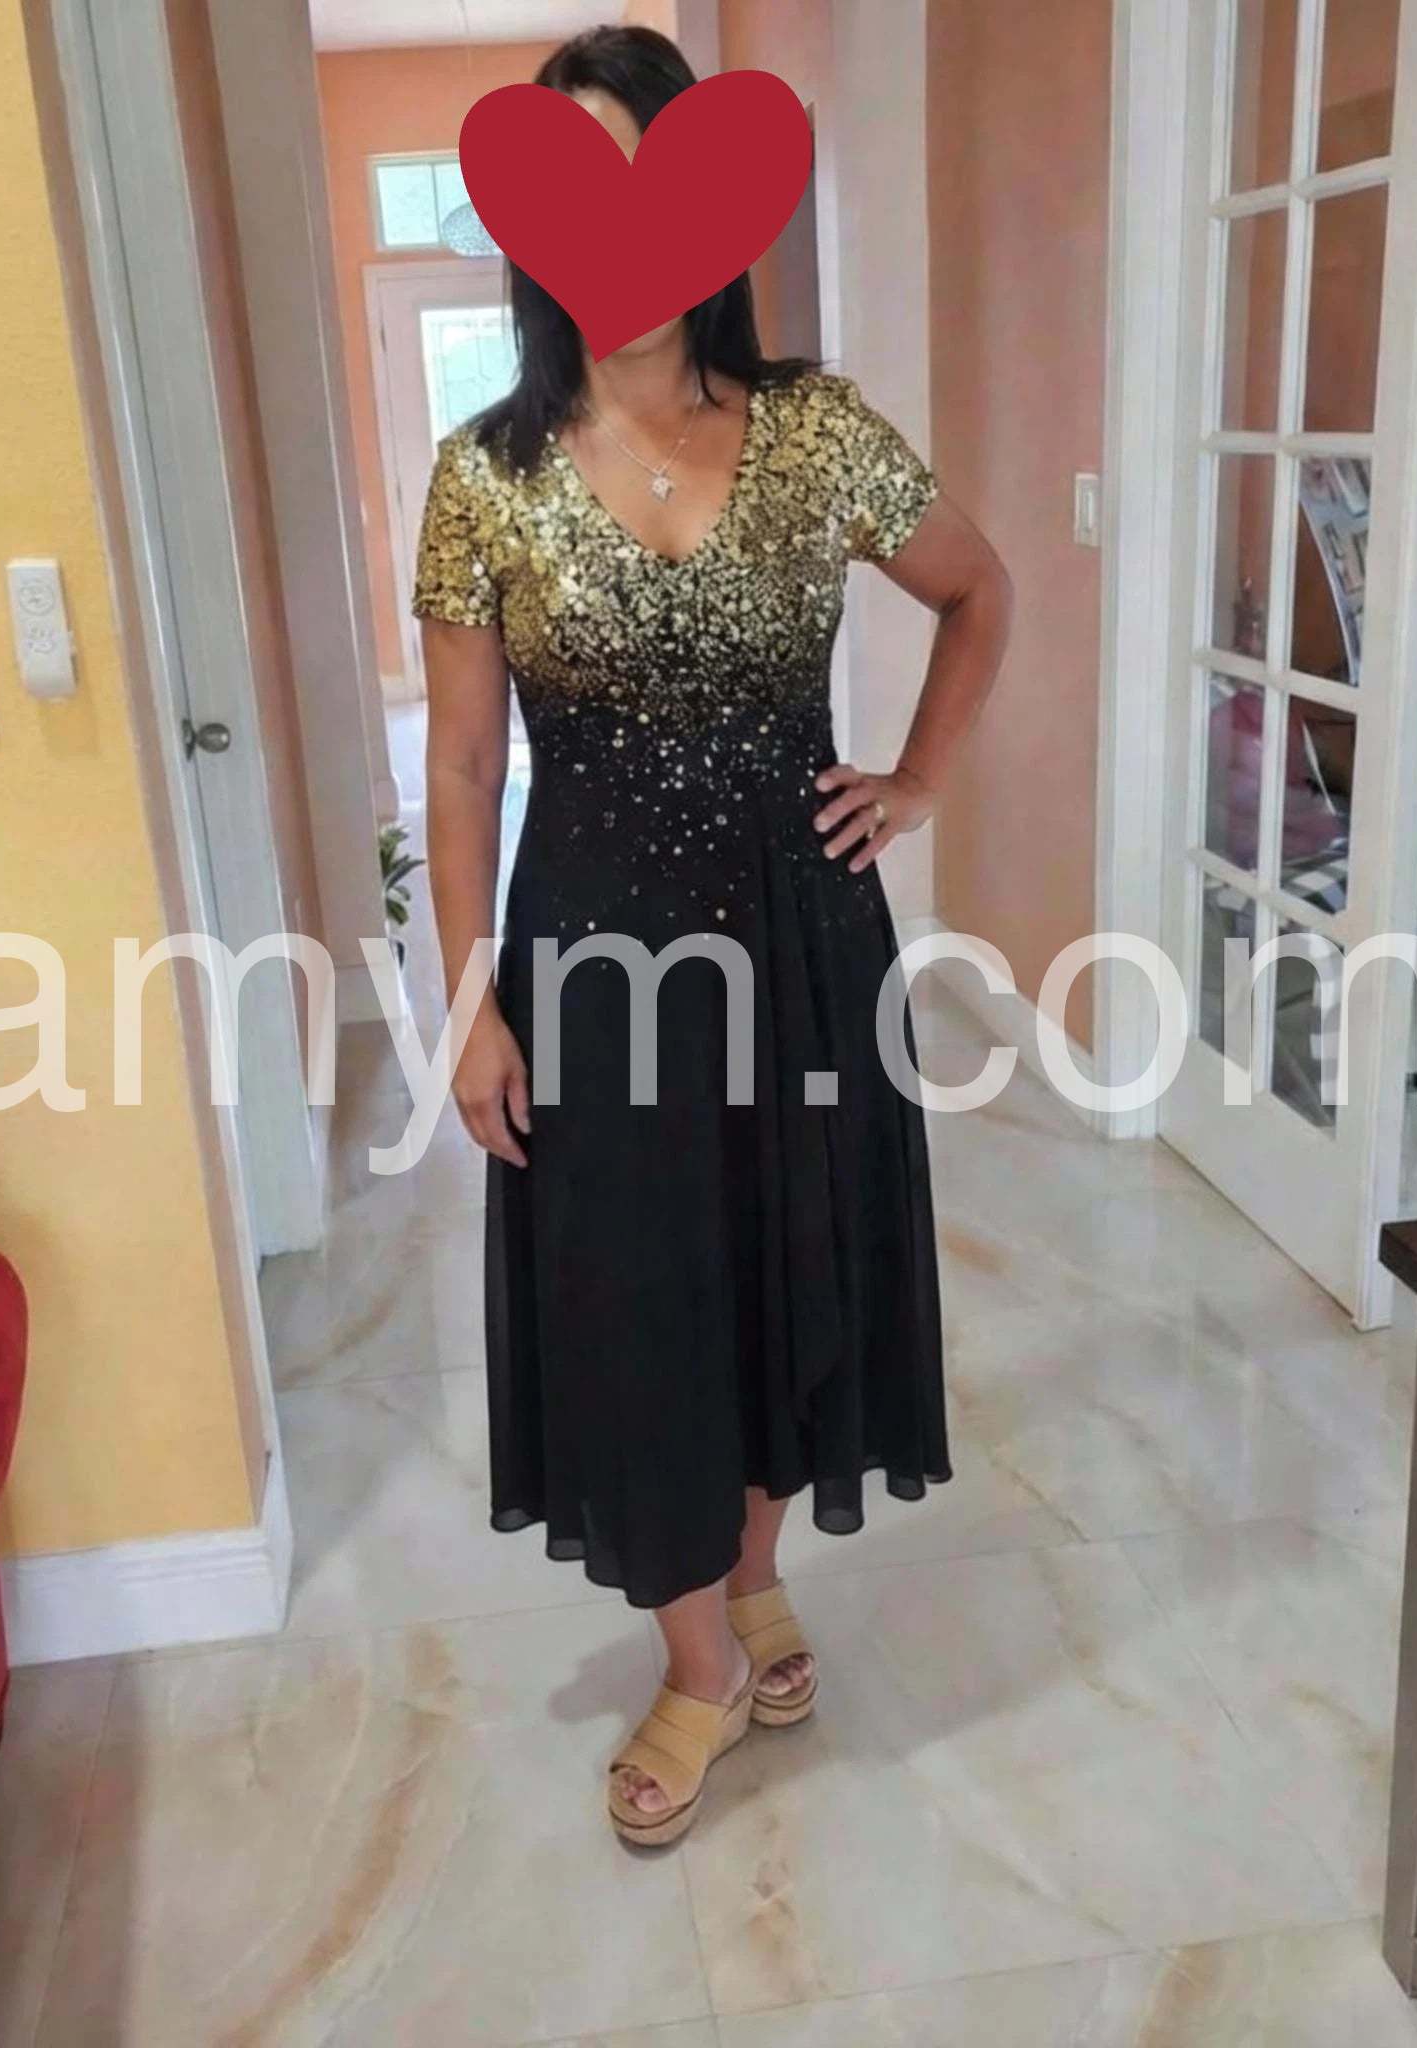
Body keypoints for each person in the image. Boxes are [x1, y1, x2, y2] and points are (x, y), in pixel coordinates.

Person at [415, 24, 1011, 1847]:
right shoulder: (484, 475)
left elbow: (979, 588)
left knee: (778, 1265)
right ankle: (696, 1663)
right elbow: (460, 764)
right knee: (636, 1297)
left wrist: (915, 780)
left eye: (642, 170)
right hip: (594, 963)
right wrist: (470, 1004)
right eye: (577, 182)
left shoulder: (816, 430)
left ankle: (751, 1581)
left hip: (803, 939)